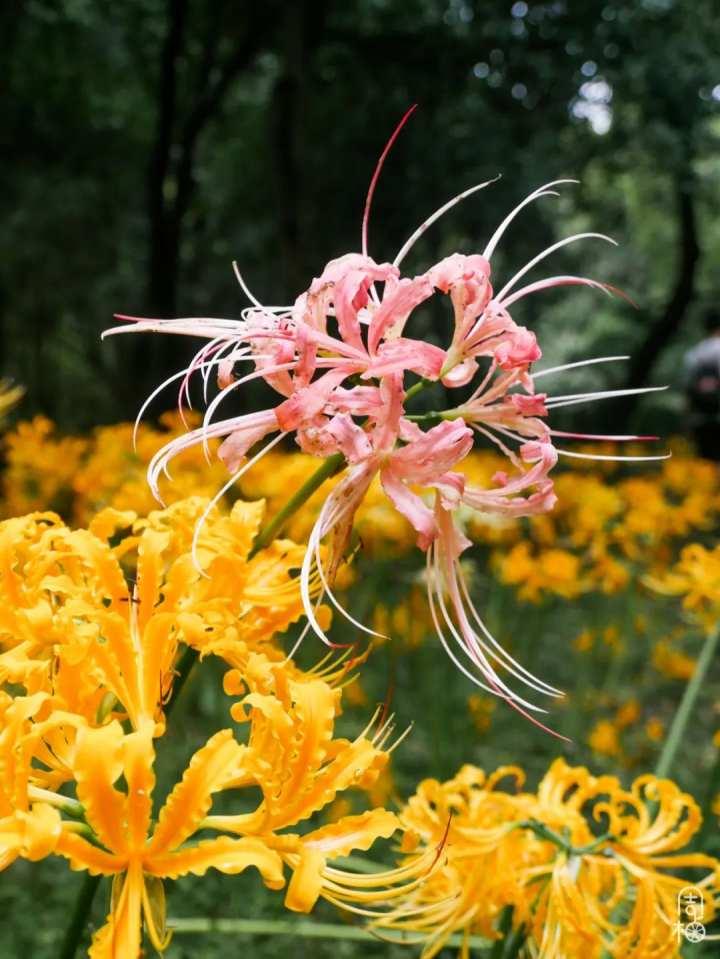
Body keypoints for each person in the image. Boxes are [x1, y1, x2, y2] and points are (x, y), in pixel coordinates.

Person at [684, 309, 720, 460]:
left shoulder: (695, 352)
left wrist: (687, 416)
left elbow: (688, 385)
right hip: (717, 411)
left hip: (700, 415)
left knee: (704, 458)